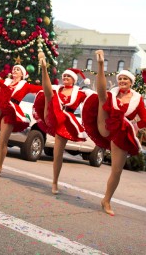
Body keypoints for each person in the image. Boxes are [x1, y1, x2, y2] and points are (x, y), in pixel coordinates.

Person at [81, 49, 146, 216]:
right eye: (120, 79)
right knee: (102, 97)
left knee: (116, 170)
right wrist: (100, 64)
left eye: (125, 78)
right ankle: (100, 64)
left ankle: (106, 199)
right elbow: (103, 94)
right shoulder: (113, 95)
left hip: (121, 132)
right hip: (105, 126)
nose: (122, 81)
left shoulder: (137, 99)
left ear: (131, 82)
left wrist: (134, 126)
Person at [34, 51, 89, 194]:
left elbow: (91, 104)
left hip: (66, 121)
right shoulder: (56, 90)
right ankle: (44, 68)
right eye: (64, 75)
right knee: (47, 92)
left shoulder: (80, 93)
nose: (65, 77)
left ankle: (54, 181)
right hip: (53, 116)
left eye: (68, 76)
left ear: (74, 80)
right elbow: (47, 92)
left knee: (58, 154)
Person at [0, 48, 42, 177]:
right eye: (14, 69)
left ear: (22, 74)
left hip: (10, 110)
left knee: (2, 140)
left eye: (18, 69)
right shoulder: (6, 82)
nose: (15, 70)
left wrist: (56, 90)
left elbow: (41, 89)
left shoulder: (25, 85)